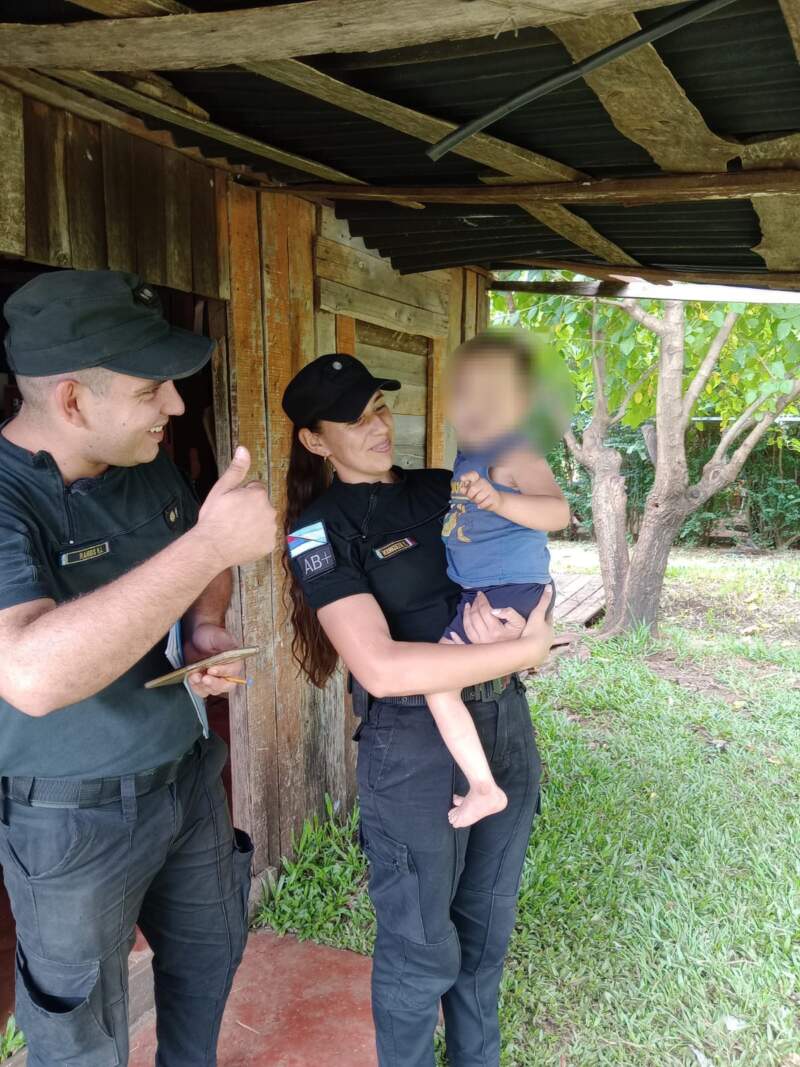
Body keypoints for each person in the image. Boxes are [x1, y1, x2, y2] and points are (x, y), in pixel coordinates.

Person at [0, 270, 276, 1067]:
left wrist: (206, 626)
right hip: (69, 823)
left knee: (208, 960)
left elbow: (197, 555)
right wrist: (210, 546)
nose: (177, 407)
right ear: (74, 402)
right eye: (154, 387)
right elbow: (29, 671)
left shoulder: (145, 463)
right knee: (80, 1034)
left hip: (186, 778)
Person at [282, 352, 554, 1067]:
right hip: (412, 748)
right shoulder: (318, 530)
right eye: (354, 416)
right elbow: (379, 664)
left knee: (485, 934)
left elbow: (529, 551)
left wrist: (535, 623)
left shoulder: (445, 487)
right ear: (314, 440)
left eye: (378, 404)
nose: (378, 424)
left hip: (502, 722)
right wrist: (525, 651)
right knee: (421, 948)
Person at [427, 332, 569, 828]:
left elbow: (559, 512)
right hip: (487, 591)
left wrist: (501, 500)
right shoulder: (469, 456)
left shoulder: (516, 453)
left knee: (438, 686)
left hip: (511, 588)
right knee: (452, 681)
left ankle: (484, 789)